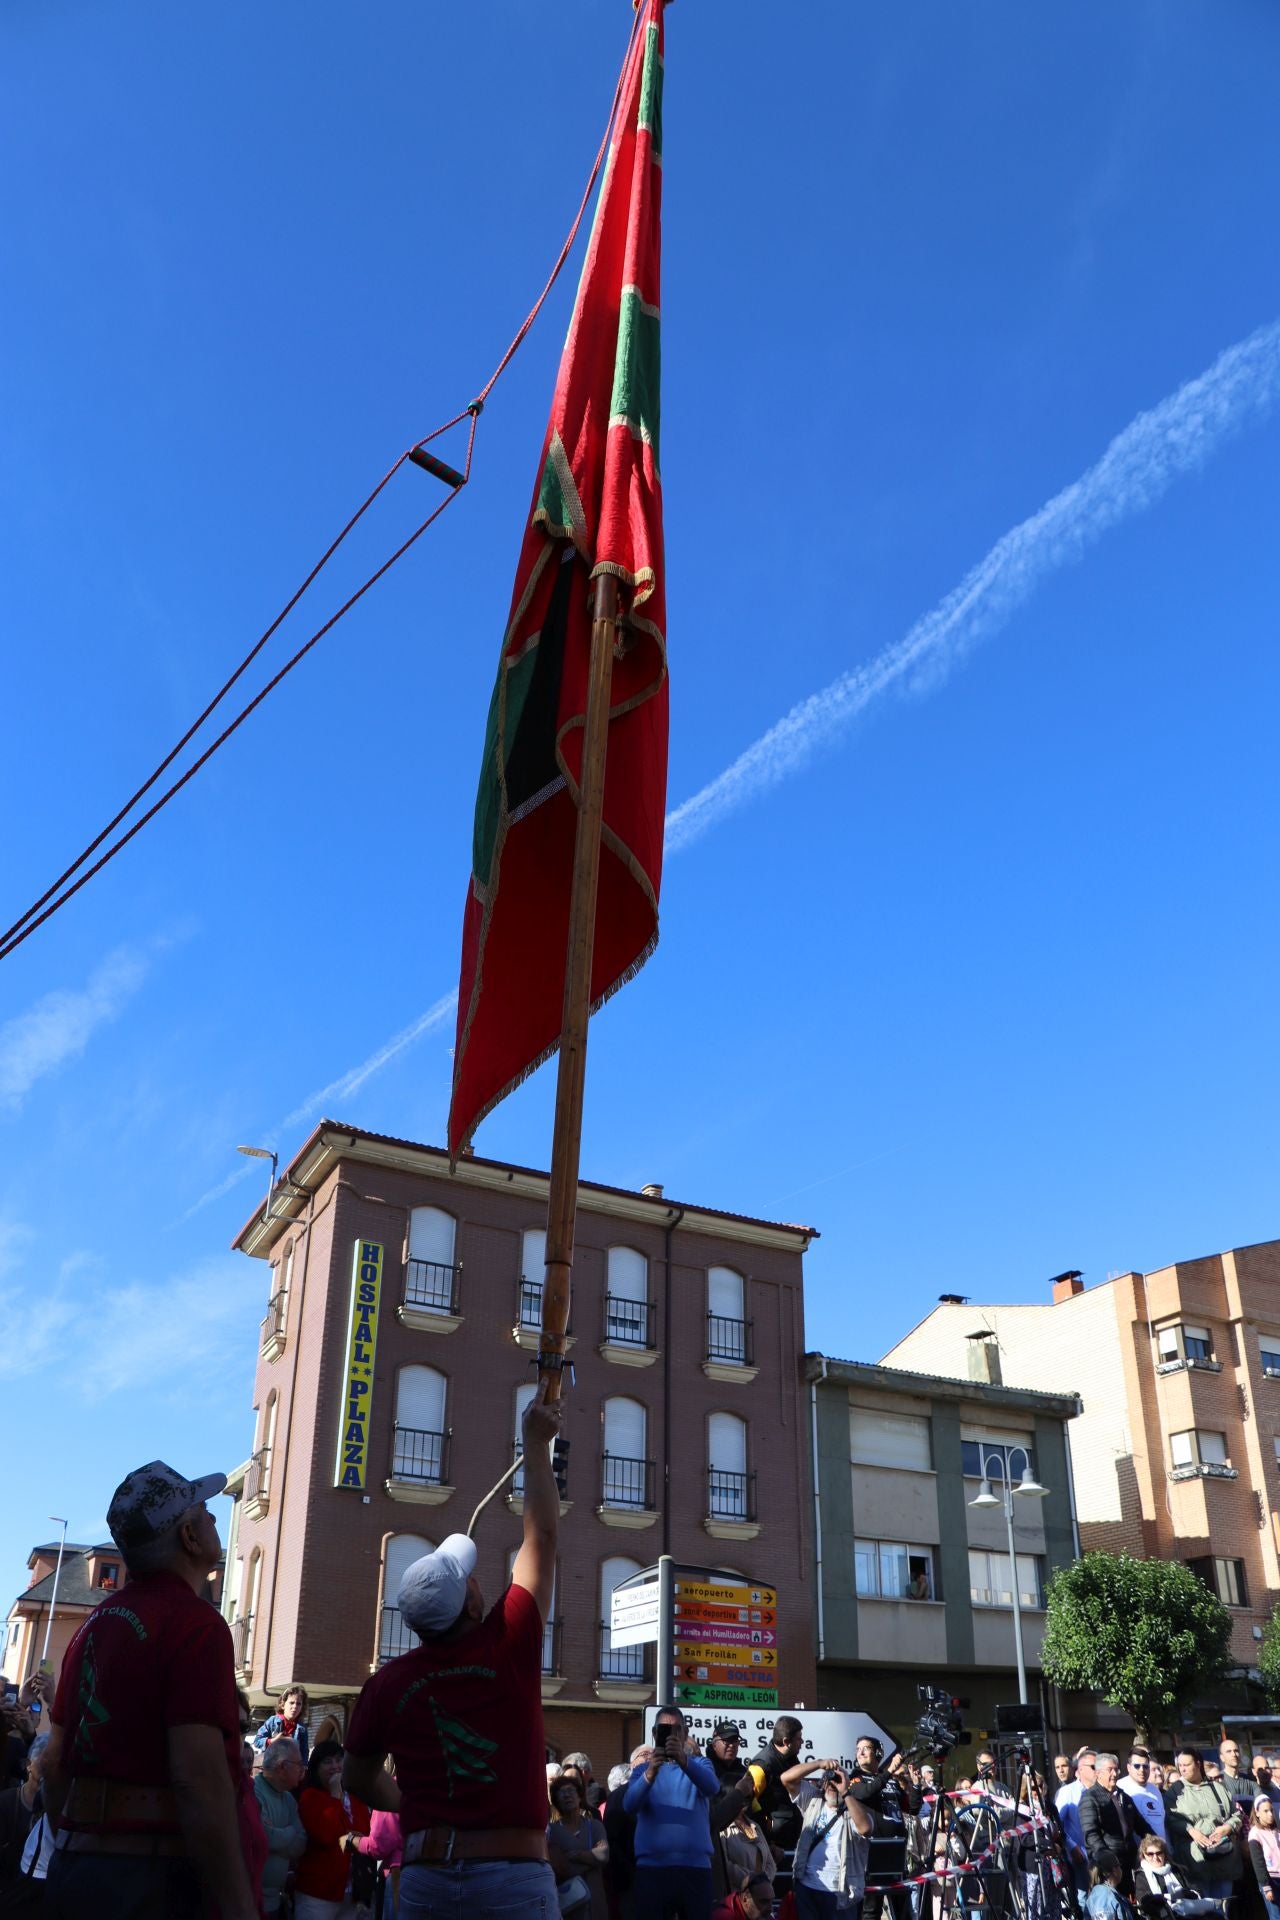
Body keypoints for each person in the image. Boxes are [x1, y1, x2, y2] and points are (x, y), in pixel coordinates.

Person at [341, 1380, 563, 1919]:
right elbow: (542, 1539)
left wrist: (416, 1809)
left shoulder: (387, 1685)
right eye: (469, 1579)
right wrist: (535, 1445)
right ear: (468, 1605)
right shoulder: (508, 1641)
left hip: (426, 1879)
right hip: (513, 1879)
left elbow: (357, 1777)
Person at [41, 1457, 258, 1920]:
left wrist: (78, 1840)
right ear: (189, 1536)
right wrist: (240, 1907)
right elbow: (199, 1779)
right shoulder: (196, 1624)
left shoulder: (91, 1627)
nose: (216, 1516)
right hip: (150, 1879)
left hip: (74, 1868)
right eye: (204, 1510)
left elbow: (54, 1762)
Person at [623, 1707, 720, 1920]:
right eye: (666, 1730)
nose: (672, 1736)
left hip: (695, 1870)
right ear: (655, 1734)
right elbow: (629, 1805)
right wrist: (650, 1774)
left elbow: (712, 1787)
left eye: (677, 1730)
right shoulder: (642, 1771)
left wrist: (683, 1761)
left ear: (685, 1734)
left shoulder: (701, 1764)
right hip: (652, 1871)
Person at [296, 1739, 371, 1919]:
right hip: (318, 1893)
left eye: (339, 1760)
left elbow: (364, 1832)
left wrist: (349, 1837)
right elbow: (325, 1835)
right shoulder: (310, 1796)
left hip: (352, 1891)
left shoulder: (354, 1796)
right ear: (316, 1768)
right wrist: (335, 1794)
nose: (335, 1766)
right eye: (327, 1762)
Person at [791, 1764, 872, 1918]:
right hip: (807, 1887)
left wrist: (845, 1791)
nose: (832, 1785)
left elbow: (865, 1828)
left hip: (840, 1892)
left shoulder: (854, 1810)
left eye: (838, 1781)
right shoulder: (813, 1801)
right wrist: (819, 1763)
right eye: (829, 1781)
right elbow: (787, 1778)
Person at [1165, 1747, 1243, 1903]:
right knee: (1204, 1909)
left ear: (1198, 1764)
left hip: (1224, 1860)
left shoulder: (1218, 1788)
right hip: (1195, 1862)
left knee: (1225, 1907)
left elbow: (1237, 1815)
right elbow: (1170, 1819)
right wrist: (1190, 1830)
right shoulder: (1174, 1792)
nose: (1183, 1769)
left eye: (1186, 1764)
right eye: (1180, 1765)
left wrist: (1228, 1827)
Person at [254, 1735, 308, 1916]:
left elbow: (300, 1844)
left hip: (276, 1901)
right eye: (299, 1764)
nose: (302, 1769)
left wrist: (279, 1838)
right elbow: (265, 1839)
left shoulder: (288, 1798)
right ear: (284, 1767)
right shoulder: (254, 1792)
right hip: (253, 1902)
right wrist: (291, 1830)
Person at [1081, 1751, 1151, 1891]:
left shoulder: (1123, 1796)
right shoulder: (1090, 1798)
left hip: (1129, 1860)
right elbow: (1091, 1834)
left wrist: (1155, 1843)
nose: (1114, 1773)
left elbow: (1141, 1825)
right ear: (1098, 1773)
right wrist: (1107, 1858)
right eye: (1110, 1770)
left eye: (1116, 1769)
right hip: (1107, 1865)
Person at [747, 1717, 812, 1855]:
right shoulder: (761, 1767)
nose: (802, 1742)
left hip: (793, 1840)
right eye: (798, 1738)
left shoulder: (791, 1758)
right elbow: (748, 1804)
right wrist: (766, 1841)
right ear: (786, 1742)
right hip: (773, 1847)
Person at [548, 1773, 609, 1920]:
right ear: (556, 1801)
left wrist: (574, 1855)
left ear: (580, 1796)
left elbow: (603, 1855)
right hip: (569, 1906)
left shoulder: (594, 1826)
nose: (567, 1795)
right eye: (561, 1793)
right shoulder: (552, 1831)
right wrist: (589, 1857)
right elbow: (561, 1868)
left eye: (570, 1791)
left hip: (595, 1903)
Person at [1136, 1831, 1225, 1917]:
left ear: (1165, 1854)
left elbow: (1195, 1889)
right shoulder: (1141, 1874)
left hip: (1188, 1908)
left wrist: (1188, 1893)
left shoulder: (1176, 1869)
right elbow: (1144, 1900)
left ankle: (1222, 1904)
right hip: (1163, 1913)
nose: (1155, 1857)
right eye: (1150, 1854)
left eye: (1159, 1853)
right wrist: (1170, 1898)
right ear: (1144, 1855)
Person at [1057, 1748, 1099, 1896]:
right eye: (1094, 1767)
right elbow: (1056, 1824)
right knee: (1083, 1902)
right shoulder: (1067, 1792)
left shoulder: (1102, 1791)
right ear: (1080, 1769)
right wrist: (1072, 1847)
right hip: (1079, 1858)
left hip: (1101, 1856)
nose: (1098, 1770)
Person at [722, 1806, 777, 1890]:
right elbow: (724, 1865)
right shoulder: (721, 1828)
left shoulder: (755, 1825)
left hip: (761, 1894)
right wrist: (752, 1881)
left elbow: (771, 1864)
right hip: (738, 1896)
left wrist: (763, 1882)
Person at [254, 1687, 312, 1766]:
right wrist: (273, 1741)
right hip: (272, 1768)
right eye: (291, 1703)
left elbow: (304, 1752)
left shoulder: (302, 1728)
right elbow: (257, 1741)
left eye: (298, 1704)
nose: (295, 1706)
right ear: (283, 1704)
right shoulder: (272, 1721)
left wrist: (303, 1768)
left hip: (291, 1771)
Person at [1120, 1749, 1167, 1844]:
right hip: (1138, 1851)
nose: (1142, 1770)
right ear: (1129, 1767)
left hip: (1160, 1850)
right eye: (1137, 1766)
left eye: (1145, 1766)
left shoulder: (1155, 1790)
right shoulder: (1120, 1787)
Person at [1250, 1796, 1280, 1907]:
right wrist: (1266, 1886)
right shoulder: (1255, 1834)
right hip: (1270, 1880)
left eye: (1271, 1810)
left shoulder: (1276, 1831)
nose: (1270, 1814)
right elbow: (1258, 1863)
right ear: (1257, 1813)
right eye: (1266, 1811)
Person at [1087, 1849, 1129, 1920]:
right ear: (1114, 1870)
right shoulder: (1109, 1897)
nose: (1121, 1869)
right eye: (1119, 1865)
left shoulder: (1093, 1895)